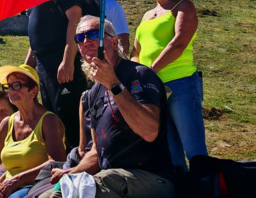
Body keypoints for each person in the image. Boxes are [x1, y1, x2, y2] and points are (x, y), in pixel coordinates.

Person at [33, 16, 174, 198]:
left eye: (93, 34)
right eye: (80, 38)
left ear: (114, 43)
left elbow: (149, 131)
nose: (86, 42)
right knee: (50, 196)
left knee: (93, 188)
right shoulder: (92, 94)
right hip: (108, 177)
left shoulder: (138, 75)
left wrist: (114, 85)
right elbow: (96, 152)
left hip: (148, 176)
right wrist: (71, 172)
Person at [132, 0, 205, 170]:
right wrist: (139, 74)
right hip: (153, 90)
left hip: (180, 84)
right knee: (171, 156)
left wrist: (150, 71)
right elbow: (135, 52)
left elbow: (179, 43)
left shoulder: (183, 6)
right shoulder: (146, 16)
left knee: (195, 151)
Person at [24, 0, 100, 150]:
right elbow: (37, 34)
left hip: (61, 61)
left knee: (68, 116)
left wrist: (67, 60)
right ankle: (60, 160)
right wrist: (27, 66)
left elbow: (75, 17)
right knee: (52, 113)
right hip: (44, 65)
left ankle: (77, 159)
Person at [0, 64, 66, 198]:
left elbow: (57, 162)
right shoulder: (7, 123)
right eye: (8, 86)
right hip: (7, 188)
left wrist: (18, 180)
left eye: (17, 85)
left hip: (39, 187)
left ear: (33, 91)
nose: (11, 90)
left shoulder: (48, 120)